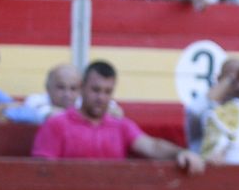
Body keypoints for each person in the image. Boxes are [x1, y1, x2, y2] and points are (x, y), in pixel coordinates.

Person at [31, 61, 206, 173]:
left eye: (107, 92)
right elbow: (41, 172)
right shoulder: (57, 125)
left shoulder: (121, 126)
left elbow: (152, 146)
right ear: (82, 88)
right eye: (95, 90)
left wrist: (181, 152)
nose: (101, 98)